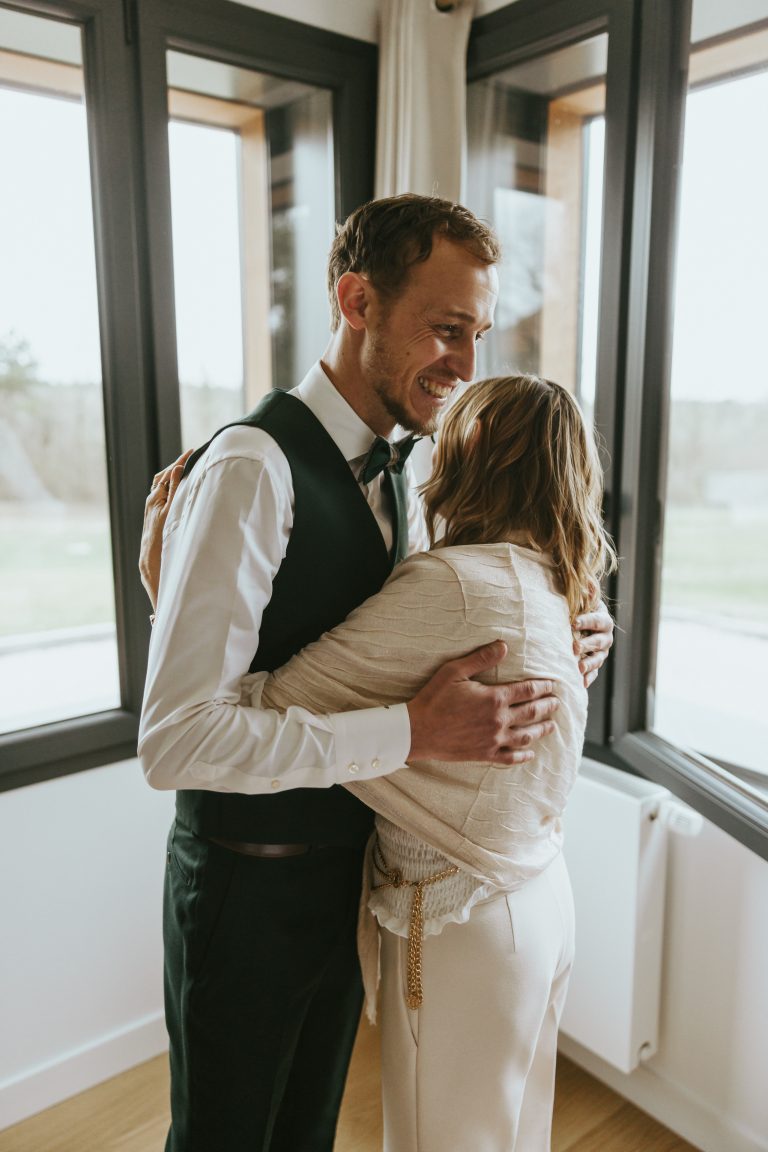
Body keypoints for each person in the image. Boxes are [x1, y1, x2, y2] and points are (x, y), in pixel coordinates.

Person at [138, 194, 614, 1152]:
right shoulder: (249, 469)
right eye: (445, 330)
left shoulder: (406, 472)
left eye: (477, 334)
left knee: (307, 1132)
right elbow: (176, 738)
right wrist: (413, 731)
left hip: (352, 879)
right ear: (357, 301)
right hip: (247, 891)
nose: (466, 366)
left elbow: (388, 632)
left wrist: (573, 632)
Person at [251, 373, 616, 1151]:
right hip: (539, 899)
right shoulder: (558, 585)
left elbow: (269, 704)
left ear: (473, 448)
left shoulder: (453, 585)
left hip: (461, 923)